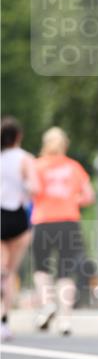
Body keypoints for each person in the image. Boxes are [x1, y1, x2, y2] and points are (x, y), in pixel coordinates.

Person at [31, 127, 95, 336]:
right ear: (65, 144)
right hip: (68, 221)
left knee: (41, 268)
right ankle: (65, 320)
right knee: (65, 271)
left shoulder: (37, 166)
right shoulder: (74, 167)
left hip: (43, 220)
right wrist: (71, 200)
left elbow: (32, 191)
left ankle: (48, 303)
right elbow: (89, 196)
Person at [1, 117, 39, 341]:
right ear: (18, 137)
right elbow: (34, 187)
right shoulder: (25, 159)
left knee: (1, 271)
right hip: (17, 216)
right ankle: (4, 320)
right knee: (9, 273)